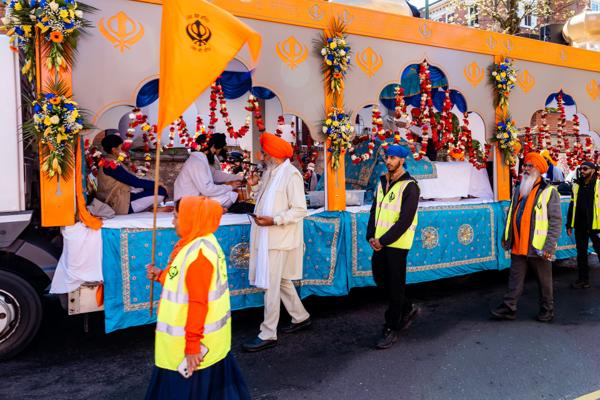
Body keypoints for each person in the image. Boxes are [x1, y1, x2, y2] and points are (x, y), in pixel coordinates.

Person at [145, 197, 250, 400]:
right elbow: (183, 281)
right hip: (207, 345)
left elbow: (198, 302)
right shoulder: (198, 243)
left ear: (191, 219)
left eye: (176, 216)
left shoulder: (199, 254)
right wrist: (161, 275)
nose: (173, 222)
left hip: (193, 348)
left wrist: (192, 346)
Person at [242, 133, 310, 352]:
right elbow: (263, 202)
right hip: (267, 236)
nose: (261, 157)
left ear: (273, 155)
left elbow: (299, 210)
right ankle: (300, 316)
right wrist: (253, 187)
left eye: (264, 153)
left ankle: (268, 333)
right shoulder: (270, 173)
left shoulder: (291, 175)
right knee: (280, 281)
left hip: (279, 238)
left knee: (271, 285)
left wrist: (275, 220)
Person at [491, 152, 562, 323]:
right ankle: (509, 308)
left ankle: (547, 310)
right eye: (525, 165)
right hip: (518, 243)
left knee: (544, 282)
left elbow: (555, 221)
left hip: (538, 246)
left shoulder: (549, 191)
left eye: (530, 166)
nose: (526, 168)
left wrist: (549, 246)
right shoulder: (519, 189)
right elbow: (512, 215)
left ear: (538, 169)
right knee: (514, 279)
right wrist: (507, 236)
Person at [366, 144, 420, 350]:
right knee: (380, 279)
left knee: (395, 285)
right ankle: (407, 308)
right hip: (380, 242)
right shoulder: (382, 182)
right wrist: (371, 235)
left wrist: (383, 240)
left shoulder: (410, 187)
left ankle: (391, 327)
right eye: (387, 157)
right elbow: (375, 210)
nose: (388, 161)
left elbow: (405, 221)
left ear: (402, 160)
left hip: (397, 243)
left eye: (392, 158)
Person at [96, 134, 167, 215]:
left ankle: (151, 208)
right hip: (117, 203)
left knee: (153, 189)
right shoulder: (110, 165)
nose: (124, 151)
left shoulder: (114, 162)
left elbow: (133, 180)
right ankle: (150, 208)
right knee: (161, 191)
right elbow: (134, 182)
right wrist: (157, 184)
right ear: (114, 150)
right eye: (122, 148)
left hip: (124, 196)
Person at [174, 133, 243, 208]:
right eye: (214, 149)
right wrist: (229, 187)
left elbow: (215, 174)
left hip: (191, 201)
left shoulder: (199, 159)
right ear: (210, 148)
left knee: (229, 194)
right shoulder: (197, 162)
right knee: (229, 196)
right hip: (186, 204)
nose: (214, 152)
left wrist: (239, 178)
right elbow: (207, 189)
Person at [566, 161, 600, 289]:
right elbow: (572, 205)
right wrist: (569, 224)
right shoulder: (576, 185)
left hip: (596, 225)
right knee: (581, 253)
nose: (582, 171)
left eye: (585, 169)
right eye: (581, 169)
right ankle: (583, 280)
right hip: (580, 224)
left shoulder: (598, 185)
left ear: (593, 170)